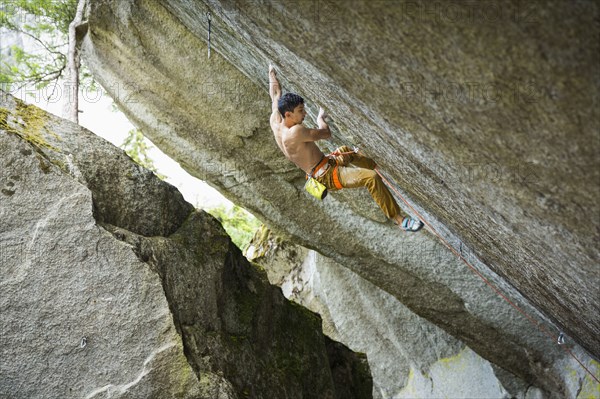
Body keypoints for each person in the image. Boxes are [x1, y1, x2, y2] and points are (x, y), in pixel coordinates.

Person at [268, 64, 423, 232]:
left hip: (326, 163)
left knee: (345, 150)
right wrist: (321, 118)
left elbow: (275, 94)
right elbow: (326, 133)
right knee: (370, 178)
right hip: (327, 175)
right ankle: (399, 220)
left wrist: (271, 70)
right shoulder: (295, 132)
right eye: (300, 111)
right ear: (288, 114)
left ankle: (376, 166)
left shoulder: (275, 120)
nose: (304, 114)